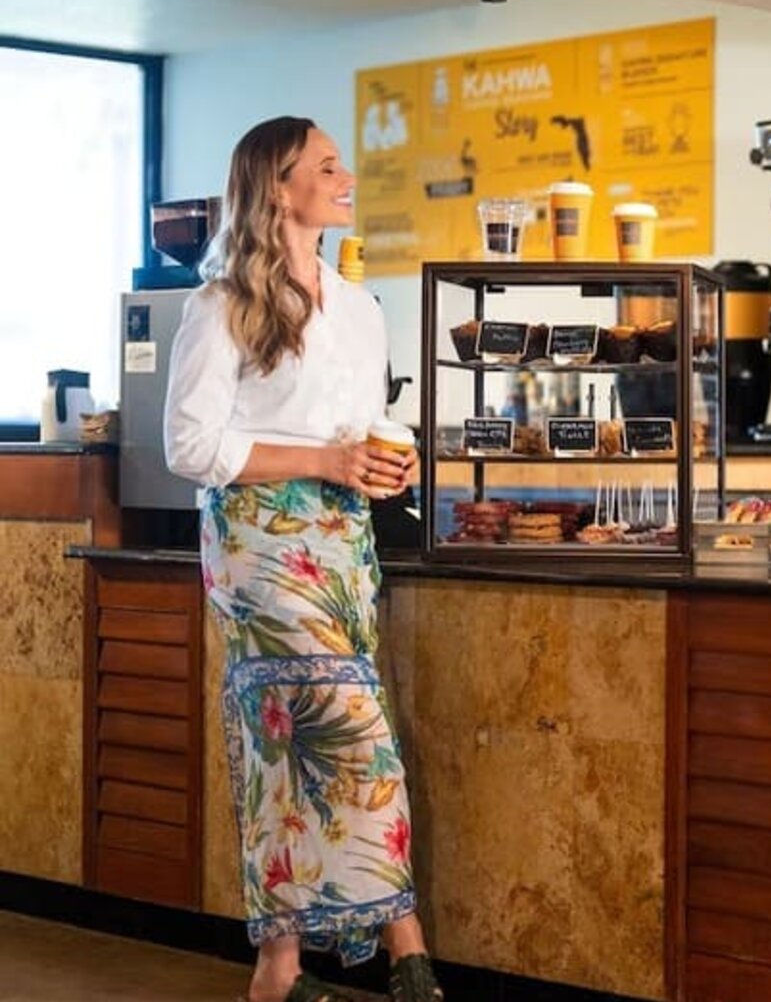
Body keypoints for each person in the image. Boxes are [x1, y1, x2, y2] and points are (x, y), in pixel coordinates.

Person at [165, 116, 443, 1002]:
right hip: (257, 544)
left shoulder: (361, 310)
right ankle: (409, 952)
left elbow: (359, 435)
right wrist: (323, 462)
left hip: (342, 538)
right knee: (353, 738)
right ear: (278, 188)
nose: (346, 174)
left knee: (286, 749)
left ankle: (277, 968)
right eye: (325, 166)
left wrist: (388, 468)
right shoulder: (219, 305)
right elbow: (189, 444)